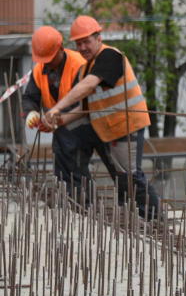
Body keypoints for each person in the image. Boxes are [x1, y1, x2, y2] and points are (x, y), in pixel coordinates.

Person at [44, 15, 160, 220]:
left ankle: (153, 218)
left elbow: (89, 86)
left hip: (126, 126)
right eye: (78, 43)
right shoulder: (86, 68)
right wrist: (57, 122)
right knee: (66, 136)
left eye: (86, 41)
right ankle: (78, 199)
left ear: (99, 37)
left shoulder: (110, 56)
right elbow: (84, 108)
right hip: (107, 128)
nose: (82, 47)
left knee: (130, 176)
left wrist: (57, 108)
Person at [21, 26, 92, 198]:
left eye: (50, 58)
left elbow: (81, 103)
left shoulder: (79, 64)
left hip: (83, 120)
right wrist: (32, 112)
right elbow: (30, 96)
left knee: (74, 161)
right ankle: (72, 202)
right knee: (62, 161)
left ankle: (82, 204)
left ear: (61, 48)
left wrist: (53, 120)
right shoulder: (39, 70)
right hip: (60, 125)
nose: (48, 62)